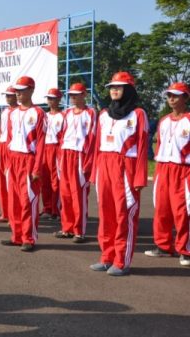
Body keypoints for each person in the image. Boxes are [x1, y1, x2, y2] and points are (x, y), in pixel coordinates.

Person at [89, 71, 148, 276]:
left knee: (124, 215)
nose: (114, 90)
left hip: (125, 166)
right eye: (112, 87)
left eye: (119, 86)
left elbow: (142, 147)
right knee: (105, 215)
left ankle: (122, 261)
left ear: (129, 89)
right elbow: (97, 145)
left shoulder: (138, 114)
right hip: (104, 163)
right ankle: (107, 257)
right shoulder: (103, 114)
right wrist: (95, 172)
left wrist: (139, 176)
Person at [145, 82, 190, 267]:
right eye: (169, 95)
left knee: (183, 210)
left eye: (176, 95)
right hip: (163, 168)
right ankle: (163, 245)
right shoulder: (163, 120)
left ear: (185, 97)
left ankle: (185, 249)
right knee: (162, 208)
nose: (171, 98)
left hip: (183, 169)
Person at [1, 76, 46, 252]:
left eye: (22, 90)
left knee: (28, 200)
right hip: (13, 159)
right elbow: (10, 139)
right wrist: (7, 163)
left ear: (31, 90)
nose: (18, 94)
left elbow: (41, 143)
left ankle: (29, 238)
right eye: (17, 91)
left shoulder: (38, 113)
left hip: (29, 159)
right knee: (14, 201)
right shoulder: (13, 113)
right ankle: (17, 235)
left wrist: (37, 168)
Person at [55, 83, 96, 243]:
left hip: (80, 155)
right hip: (65, 153)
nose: (73, 97)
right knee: (64, 194)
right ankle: (67, 228)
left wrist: (88, 161)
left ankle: (79, 231)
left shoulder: (91, 113)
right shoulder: (66, 114)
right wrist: (59, 157)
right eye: (71, 95)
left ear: (84, 95)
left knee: (78, 194)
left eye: (76, 95)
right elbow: (61, 136)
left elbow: (93, 139)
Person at [0, 86, 18, 223]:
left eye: (10, 95)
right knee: (2, 180)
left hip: (11, 148)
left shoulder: (18, 112)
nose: (8, 98)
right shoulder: (4, 112)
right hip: (2, 147)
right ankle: (5, 213)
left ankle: (14, 213)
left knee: (11, 182)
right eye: (6, 95)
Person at [40, 88, 64, 219]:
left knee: (56, 180)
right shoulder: (44, 115)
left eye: (52, 98)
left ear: (59, 99)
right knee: (45, 180)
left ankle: (56, 209)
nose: (50, 101)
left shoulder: (63, 116)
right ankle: (47, 208)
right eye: (48, 98)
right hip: (44, 148)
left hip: (56, 149)